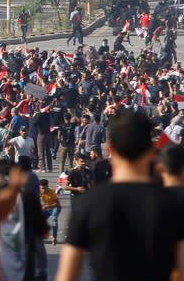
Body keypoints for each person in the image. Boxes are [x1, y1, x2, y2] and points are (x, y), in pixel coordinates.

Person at [57, 109, 184, 281]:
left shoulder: (88, 203)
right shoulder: (173, 203)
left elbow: (67, 275)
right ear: (150, 148)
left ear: (111, 147)